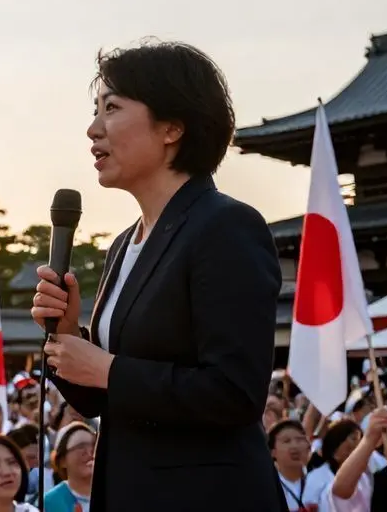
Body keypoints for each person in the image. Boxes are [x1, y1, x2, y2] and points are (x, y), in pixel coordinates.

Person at [33, 41, 282, 511]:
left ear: (172, 127)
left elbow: (235, 392)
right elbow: (103, 400)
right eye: (95, 111)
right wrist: (69, 336)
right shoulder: (124, 245)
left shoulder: (226, 226)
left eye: (111, 108)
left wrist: (108, 368)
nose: (92, 129)